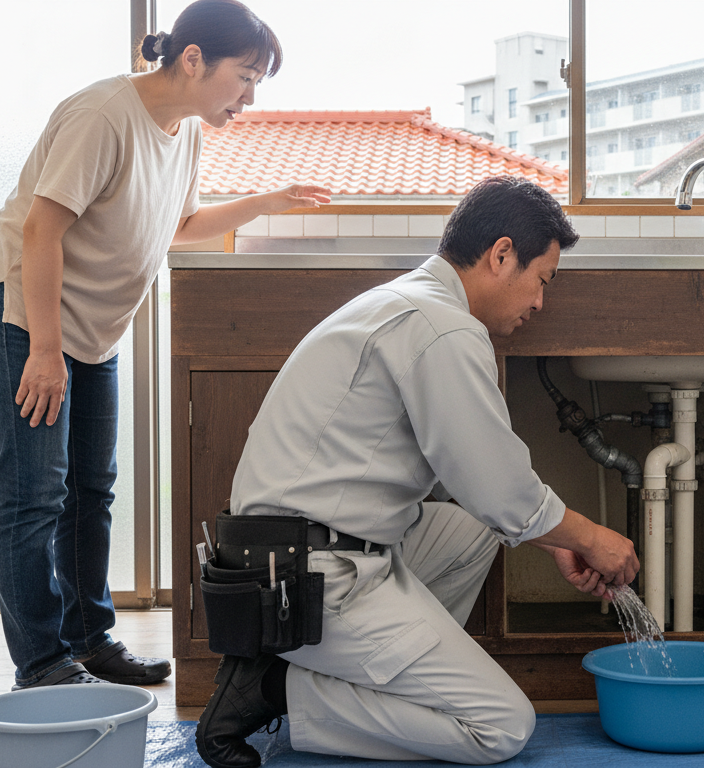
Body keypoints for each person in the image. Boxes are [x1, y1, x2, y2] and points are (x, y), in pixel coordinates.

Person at [196, 176, 640, 768]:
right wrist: (590, 537)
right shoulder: (443, 329)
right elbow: (499, 486)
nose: (540, 303)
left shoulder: (405, 302)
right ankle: (273, 689)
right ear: (501, 254)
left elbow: (489, 501)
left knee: (474, 530)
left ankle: (363, 673)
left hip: (289, 555)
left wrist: (545, 538)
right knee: (502, 727)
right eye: (542, 281)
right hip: (307, 577)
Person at [0, 0, 329, 691]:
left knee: (90, 492)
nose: (250, 97)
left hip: (91, 334)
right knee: (34, 494)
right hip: (23, 318)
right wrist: (43, 348)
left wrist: (266, 199)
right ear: (194, 60)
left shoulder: (185, 130)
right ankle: (41, 664)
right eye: (245, 78)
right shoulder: (104, 115)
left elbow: (179, 223)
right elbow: (41, 230)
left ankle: (89, 641)